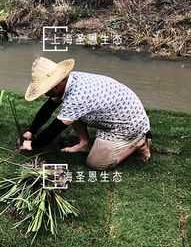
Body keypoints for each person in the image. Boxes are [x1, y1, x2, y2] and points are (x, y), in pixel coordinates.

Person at [19, 57, 151, 170]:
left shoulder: (77, 97)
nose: (44, 94)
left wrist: (32, 145)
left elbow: (55, 129)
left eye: (45, 90)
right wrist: (32, 130)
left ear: (56, 86)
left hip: (127, 126)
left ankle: (138, 143)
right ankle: (84, 144)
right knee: (71, 114)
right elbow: (49, 107)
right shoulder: (69, 80)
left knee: (96, 164)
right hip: (116, 113)